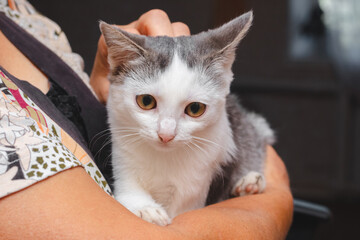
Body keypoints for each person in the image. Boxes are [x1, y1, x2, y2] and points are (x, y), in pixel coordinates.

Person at [0, 0, 293, 239]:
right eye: (147, 102)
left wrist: (102, 82)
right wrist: (278, 197)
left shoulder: (20, 11)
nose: (167, 133)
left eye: (193, 110)